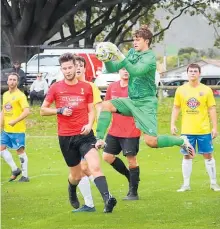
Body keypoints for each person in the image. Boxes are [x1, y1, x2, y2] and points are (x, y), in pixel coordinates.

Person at [94, 25, 195, 158]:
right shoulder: (131, 53)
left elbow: (136, 71)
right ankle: (100, 139)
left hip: (146, 103)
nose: (134, 42)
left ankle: (181, 140)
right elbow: (113, 67)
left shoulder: (150, 57)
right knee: (106, 105)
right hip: (132, 101)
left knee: (151, 141)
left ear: (147, 41)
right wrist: (106, 59)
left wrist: (119, 54)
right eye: (134, 40)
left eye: (138, 40)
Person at [40, 53, 117, 213]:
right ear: (61, 69)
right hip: (66, 137)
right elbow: (42, 110)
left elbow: (91, 110)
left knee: (95, 167)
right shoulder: (56, 87)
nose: (67, 71)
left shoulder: (87, 87)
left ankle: (107, 199)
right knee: (75, 175)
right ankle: (72, 189)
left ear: (76, 67)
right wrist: (59, 110)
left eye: (70, 67)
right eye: (64, 68)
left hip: (85, 135)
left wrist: (89, 125)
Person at [171, 63, 220, 192]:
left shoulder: (206, 90)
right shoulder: (181, 90)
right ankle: (186, 185)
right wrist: (172, 124)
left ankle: (213, 183)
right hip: (187, 131)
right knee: (187, 156)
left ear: (199, 73)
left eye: (195, 71)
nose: (193, 73)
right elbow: (176, 107)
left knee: (208, 155)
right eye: (190, 71)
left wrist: (215, 127)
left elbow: (212, 109)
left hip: (203, 130)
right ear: (187, 73)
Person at [103, 68, 141, 200]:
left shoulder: (136, 87)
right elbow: (106, 105)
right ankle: (129, 176)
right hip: (114, 130)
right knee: (107, 156)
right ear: (118, 71)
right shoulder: (112, 87)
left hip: (131, 130)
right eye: (123, 69)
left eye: (129, 69)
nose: (126, 71)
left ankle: (133, 192)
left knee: (131, 160)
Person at [73, 55, 102, 212]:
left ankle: (107, 195)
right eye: (74, 64)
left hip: (89, 133)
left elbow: (99, 108)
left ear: (84, 68)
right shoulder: (68, 88)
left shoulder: (91, 87)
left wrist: (98, 130)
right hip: (72, 134)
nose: (77, 67)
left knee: (85, 166)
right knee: (79, 169)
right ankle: (89, 204)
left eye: (80, 65)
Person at [1, 72, 30, 182]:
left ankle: (25, 175)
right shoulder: (5, 95)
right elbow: (4, 110)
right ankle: (15, 169)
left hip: (17, 129)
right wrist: (1, 122)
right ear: (7, 81)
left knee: (20, 151)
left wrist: (15, 121)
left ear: (17, 82)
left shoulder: (20, 96)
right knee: (1, 149)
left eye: (14, 80)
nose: (12, 81)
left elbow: (27, 111)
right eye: (10, 79)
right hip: (6, 130)